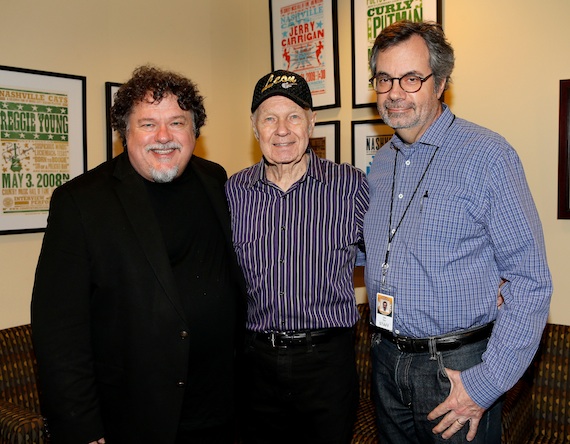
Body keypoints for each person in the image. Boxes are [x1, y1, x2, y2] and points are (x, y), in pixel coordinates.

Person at [31, 65, 245, 444]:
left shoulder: (215, 180)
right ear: (124, 133)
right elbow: (59, 330)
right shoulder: (81, 202)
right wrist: (81, 427)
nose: (164, 137)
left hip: (222, 410)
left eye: (177, 122)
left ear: (194, 131)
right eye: (148, 124)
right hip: (135, 418)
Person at [364, 21, 552, 443]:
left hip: (455, 368)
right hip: (386, 359)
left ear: (441, 81)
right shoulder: (381, 166)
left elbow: (531, 281)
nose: (395, 92)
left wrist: (485, 385)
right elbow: (373, 248)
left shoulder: (488, 156)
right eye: (384, 79)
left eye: (412, 78)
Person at [225, 70, 369, 444]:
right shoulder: (233, 192)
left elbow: (389, 258)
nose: (282, 129)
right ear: (255, 128)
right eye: (269, 118)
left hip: (327, 362)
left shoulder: (350, 186)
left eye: (293, 116)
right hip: (255, 362)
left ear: (312, 122)